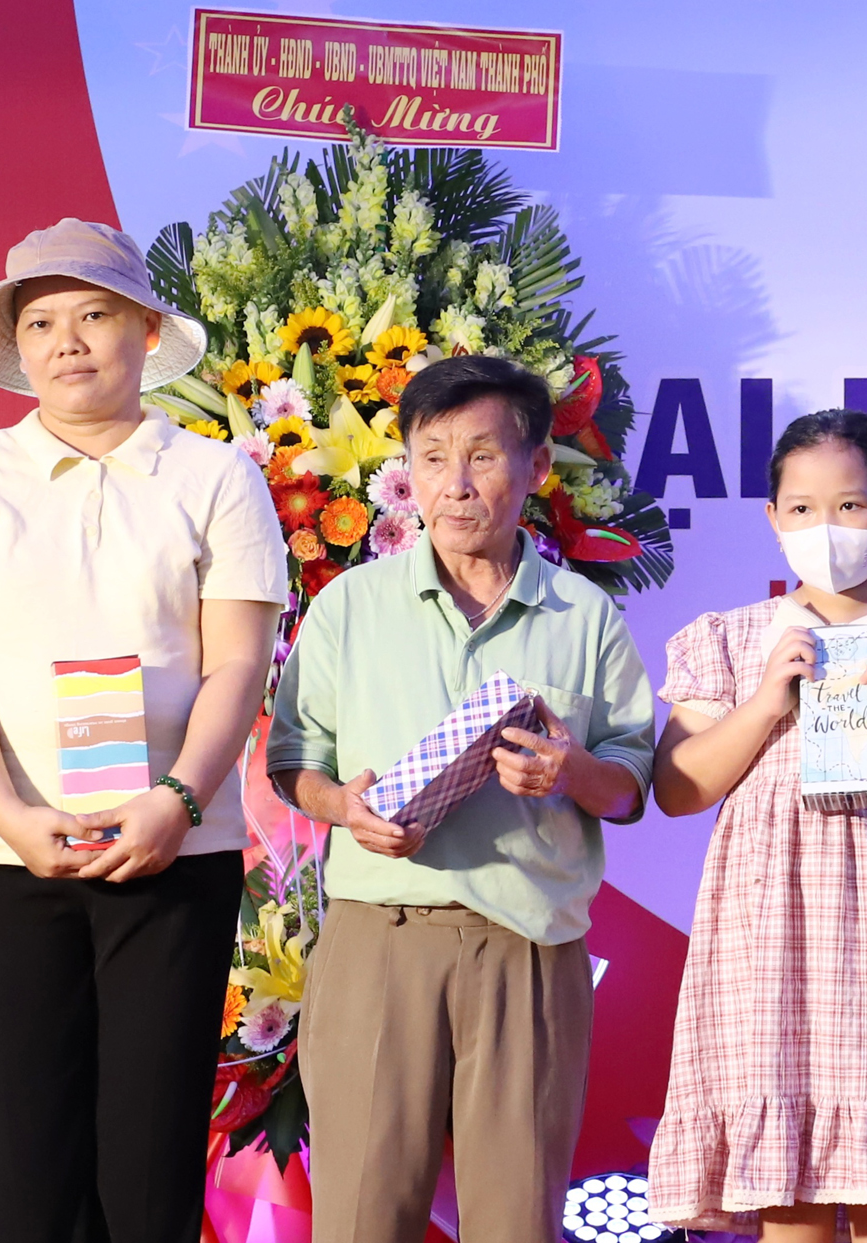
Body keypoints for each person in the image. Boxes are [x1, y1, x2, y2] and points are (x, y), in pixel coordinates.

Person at [0, 218, 286, 1243]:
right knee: (24, 1152)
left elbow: (236, 663)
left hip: (172, 847)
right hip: (4, 855)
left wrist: (178, 800)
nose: (67, 340)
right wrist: (15, 818)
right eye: (41, 321)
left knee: (149, 1155)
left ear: (147, 331)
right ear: (18, 348)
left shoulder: (214, 475)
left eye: (94, 314)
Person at [267, 355, 657, 1243]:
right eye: (433, 455)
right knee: (364, 1218)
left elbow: (633, 781)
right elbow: (293, 762)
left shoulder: (582, 617)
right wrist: (344, 805)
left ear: (537, 470)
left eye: (483, 455)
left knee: (515, 1223)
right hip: (380, 938)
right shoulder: (348, 607)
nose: (456, 483)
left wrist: (569, 770)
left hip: (528, 949)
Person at [644, 410, 867, 1243]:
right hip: (771, 937)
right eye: (803, 508)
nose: (826, 528)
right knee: (792, 1191)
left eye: (850, 506)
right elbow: (676, 786)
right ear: (772, 518)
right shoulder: (731, 638)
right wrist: (765, 699)